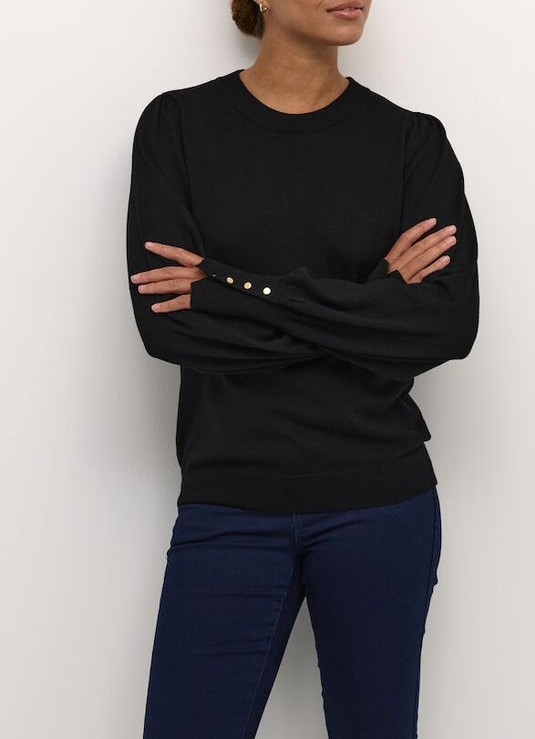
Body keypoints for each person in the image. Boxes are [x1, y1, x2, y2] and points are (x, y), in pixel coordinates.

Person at [126, 1, 479, 737]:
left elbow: (445, 325)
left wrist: (229, 288)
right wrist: (373, 299)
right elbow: (171, 328)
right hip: (230, 500)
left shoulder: (411, 141)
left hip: (381, 503)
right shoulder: (178, 127)